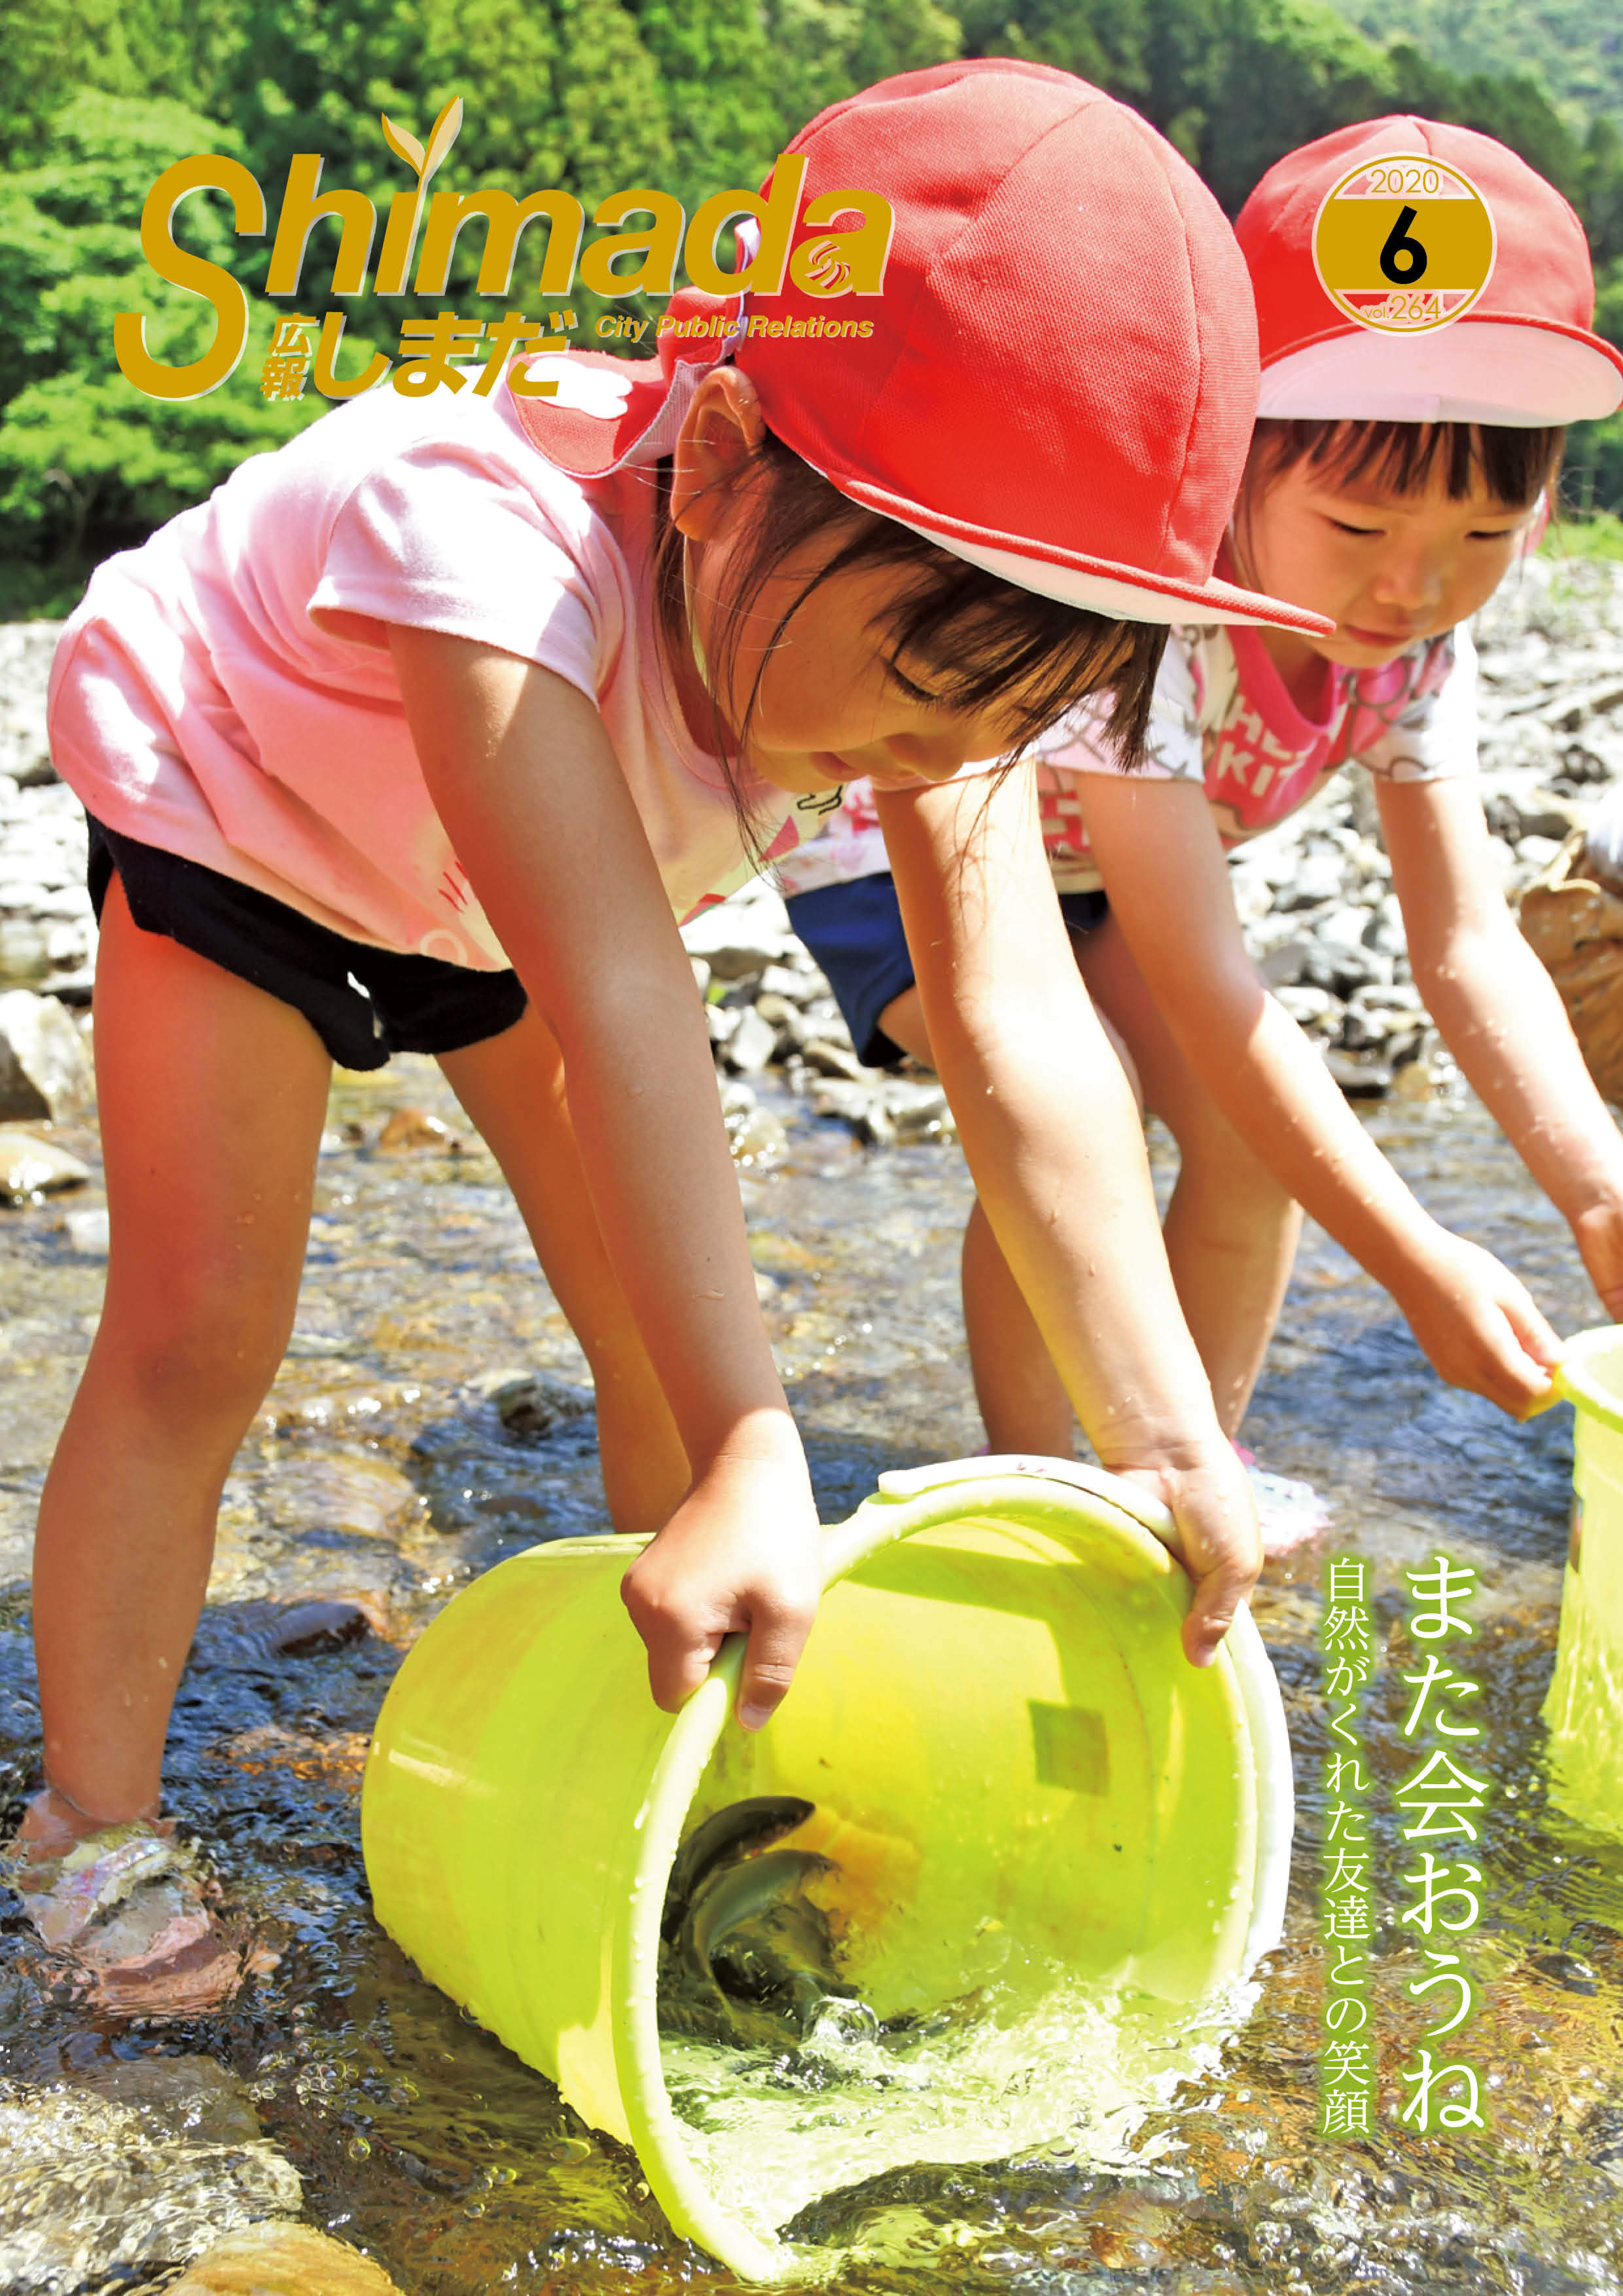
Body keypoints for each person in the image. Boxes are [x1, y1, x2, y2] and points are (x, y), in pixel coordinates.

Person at [5, 60, 1330, 2013]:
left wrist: (1165, 1436)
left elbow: (1011, 1017)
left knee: (649, 1317)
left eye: (1006, 717)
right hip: (254, 819)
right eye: (918, 694)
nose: (941, 761)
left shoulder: (939, 638)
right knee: (207, 1323)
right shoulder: (487, 531)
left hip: (527, 892)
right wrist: (754, 1431)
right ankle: (83, 1824)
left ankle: (689, 1719)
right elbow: (621, 984)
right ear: (715, 462)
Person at [783, 115, 1613, 1543]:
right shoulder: (1153, 615)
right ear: (1227, 454)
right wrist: (1414, 1260)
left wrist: (1598, 1183)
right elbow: (1200, 970)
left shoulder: (1418, 654)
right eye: (1355, 528)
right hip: (910, 808)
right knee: (1075, 1098)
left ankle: (1189, 1472)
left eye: (1478, 540)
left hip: (1099, 866)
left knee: (1244, 1148)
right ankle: (1036, 1485)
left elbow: (1466, 943)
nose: (1411, 587)